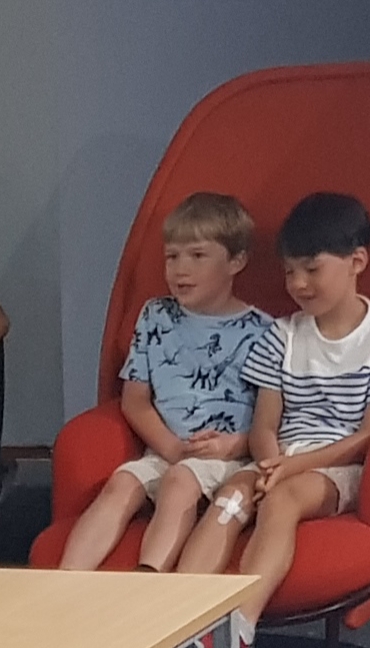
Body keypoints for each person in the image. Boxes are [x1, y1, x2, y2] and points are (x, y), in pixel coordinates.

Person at [176, 192, 370, 647]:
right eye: (290, 272)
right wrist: (269, 463)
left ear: (356, 261)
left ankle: (239, 626)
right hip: (280, 458)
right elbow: (266, 423)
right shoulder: (282, 335)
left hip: (338, 465)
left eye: (311, 269)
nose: (299, 283)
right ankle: (181, 618)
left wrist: (291, 469)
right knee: (231, 497)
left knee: (284, 499)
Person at [59, 192, 272, 572]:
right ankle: (64, 584)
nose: (180, 269)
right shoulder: (156, 316)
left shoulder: (266, 332)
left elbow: (275, 418)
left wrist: (233, 445)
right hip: (165, 449)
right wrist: (170, 446)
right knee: (120, 485)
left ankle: (149, 580)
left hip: (227, 458)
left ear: (236, 261)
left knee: (180, 482)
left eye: (197, 255)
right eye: (172, 257)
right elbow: (135, 399)